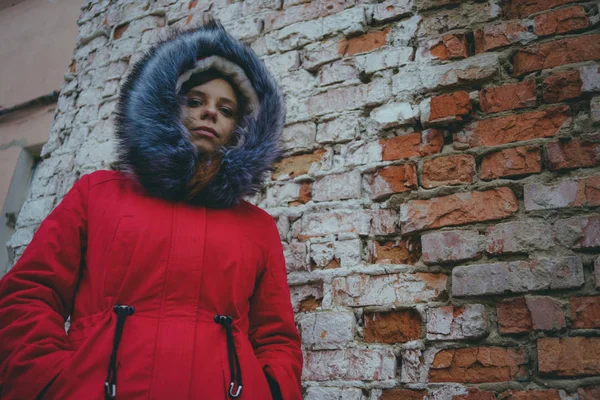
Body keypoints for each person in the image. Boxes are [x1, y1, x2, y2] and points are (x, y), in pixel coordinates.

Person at [0, 21, 303, 400]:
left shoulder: (257, 228)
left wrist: (272, 392)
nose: (209, 113)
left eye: (225, 109)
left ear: (239, 128)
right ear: (164, 107)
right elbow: (30, 294)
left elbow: (276, 337)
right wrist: (48, 385)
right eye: (194, 101)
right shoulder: (96, 194)